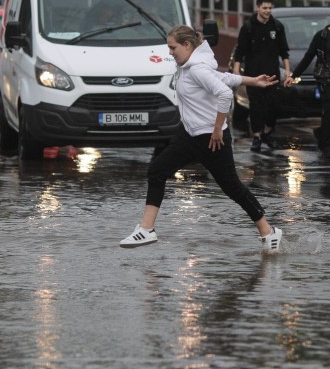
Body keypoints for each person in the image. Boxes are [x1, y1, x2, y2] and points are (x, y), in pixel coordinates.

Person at [120, 25, 283, 252]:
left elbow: (224, 93)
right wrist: (253, 81)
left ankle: (269, 231)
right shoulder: (189, 66)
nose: (170, 52)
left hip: (211, 138)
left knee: (232, 187)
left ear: (187, 45)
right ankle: (146, 229)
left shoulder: (196, 69)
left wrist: (218, 128)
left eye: (172, 47)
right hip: (189, 135)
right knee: (157, 170)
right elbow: (223, 77)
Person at [284, 5, 330, 159]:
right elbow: (308, 57)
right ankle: (326, 145)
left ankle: (321, 132)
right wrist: (293, 75)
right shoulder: (322, 37)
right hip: (325, 79)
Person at [232, 0, 290, 152]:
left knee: (273, 106)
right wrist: (236, 71)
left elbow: (284, 52)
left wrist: (288, 72)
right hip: (253, 75)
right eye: (265, 8)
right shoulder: (248, 27)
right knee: (256, 106)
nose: (267, 11)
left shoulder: (277, 27)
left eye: (270, 8)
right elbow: (240, 51)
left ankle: (268, 132)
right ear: (258, 7)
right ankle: (257, 136)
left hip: (272, 74)